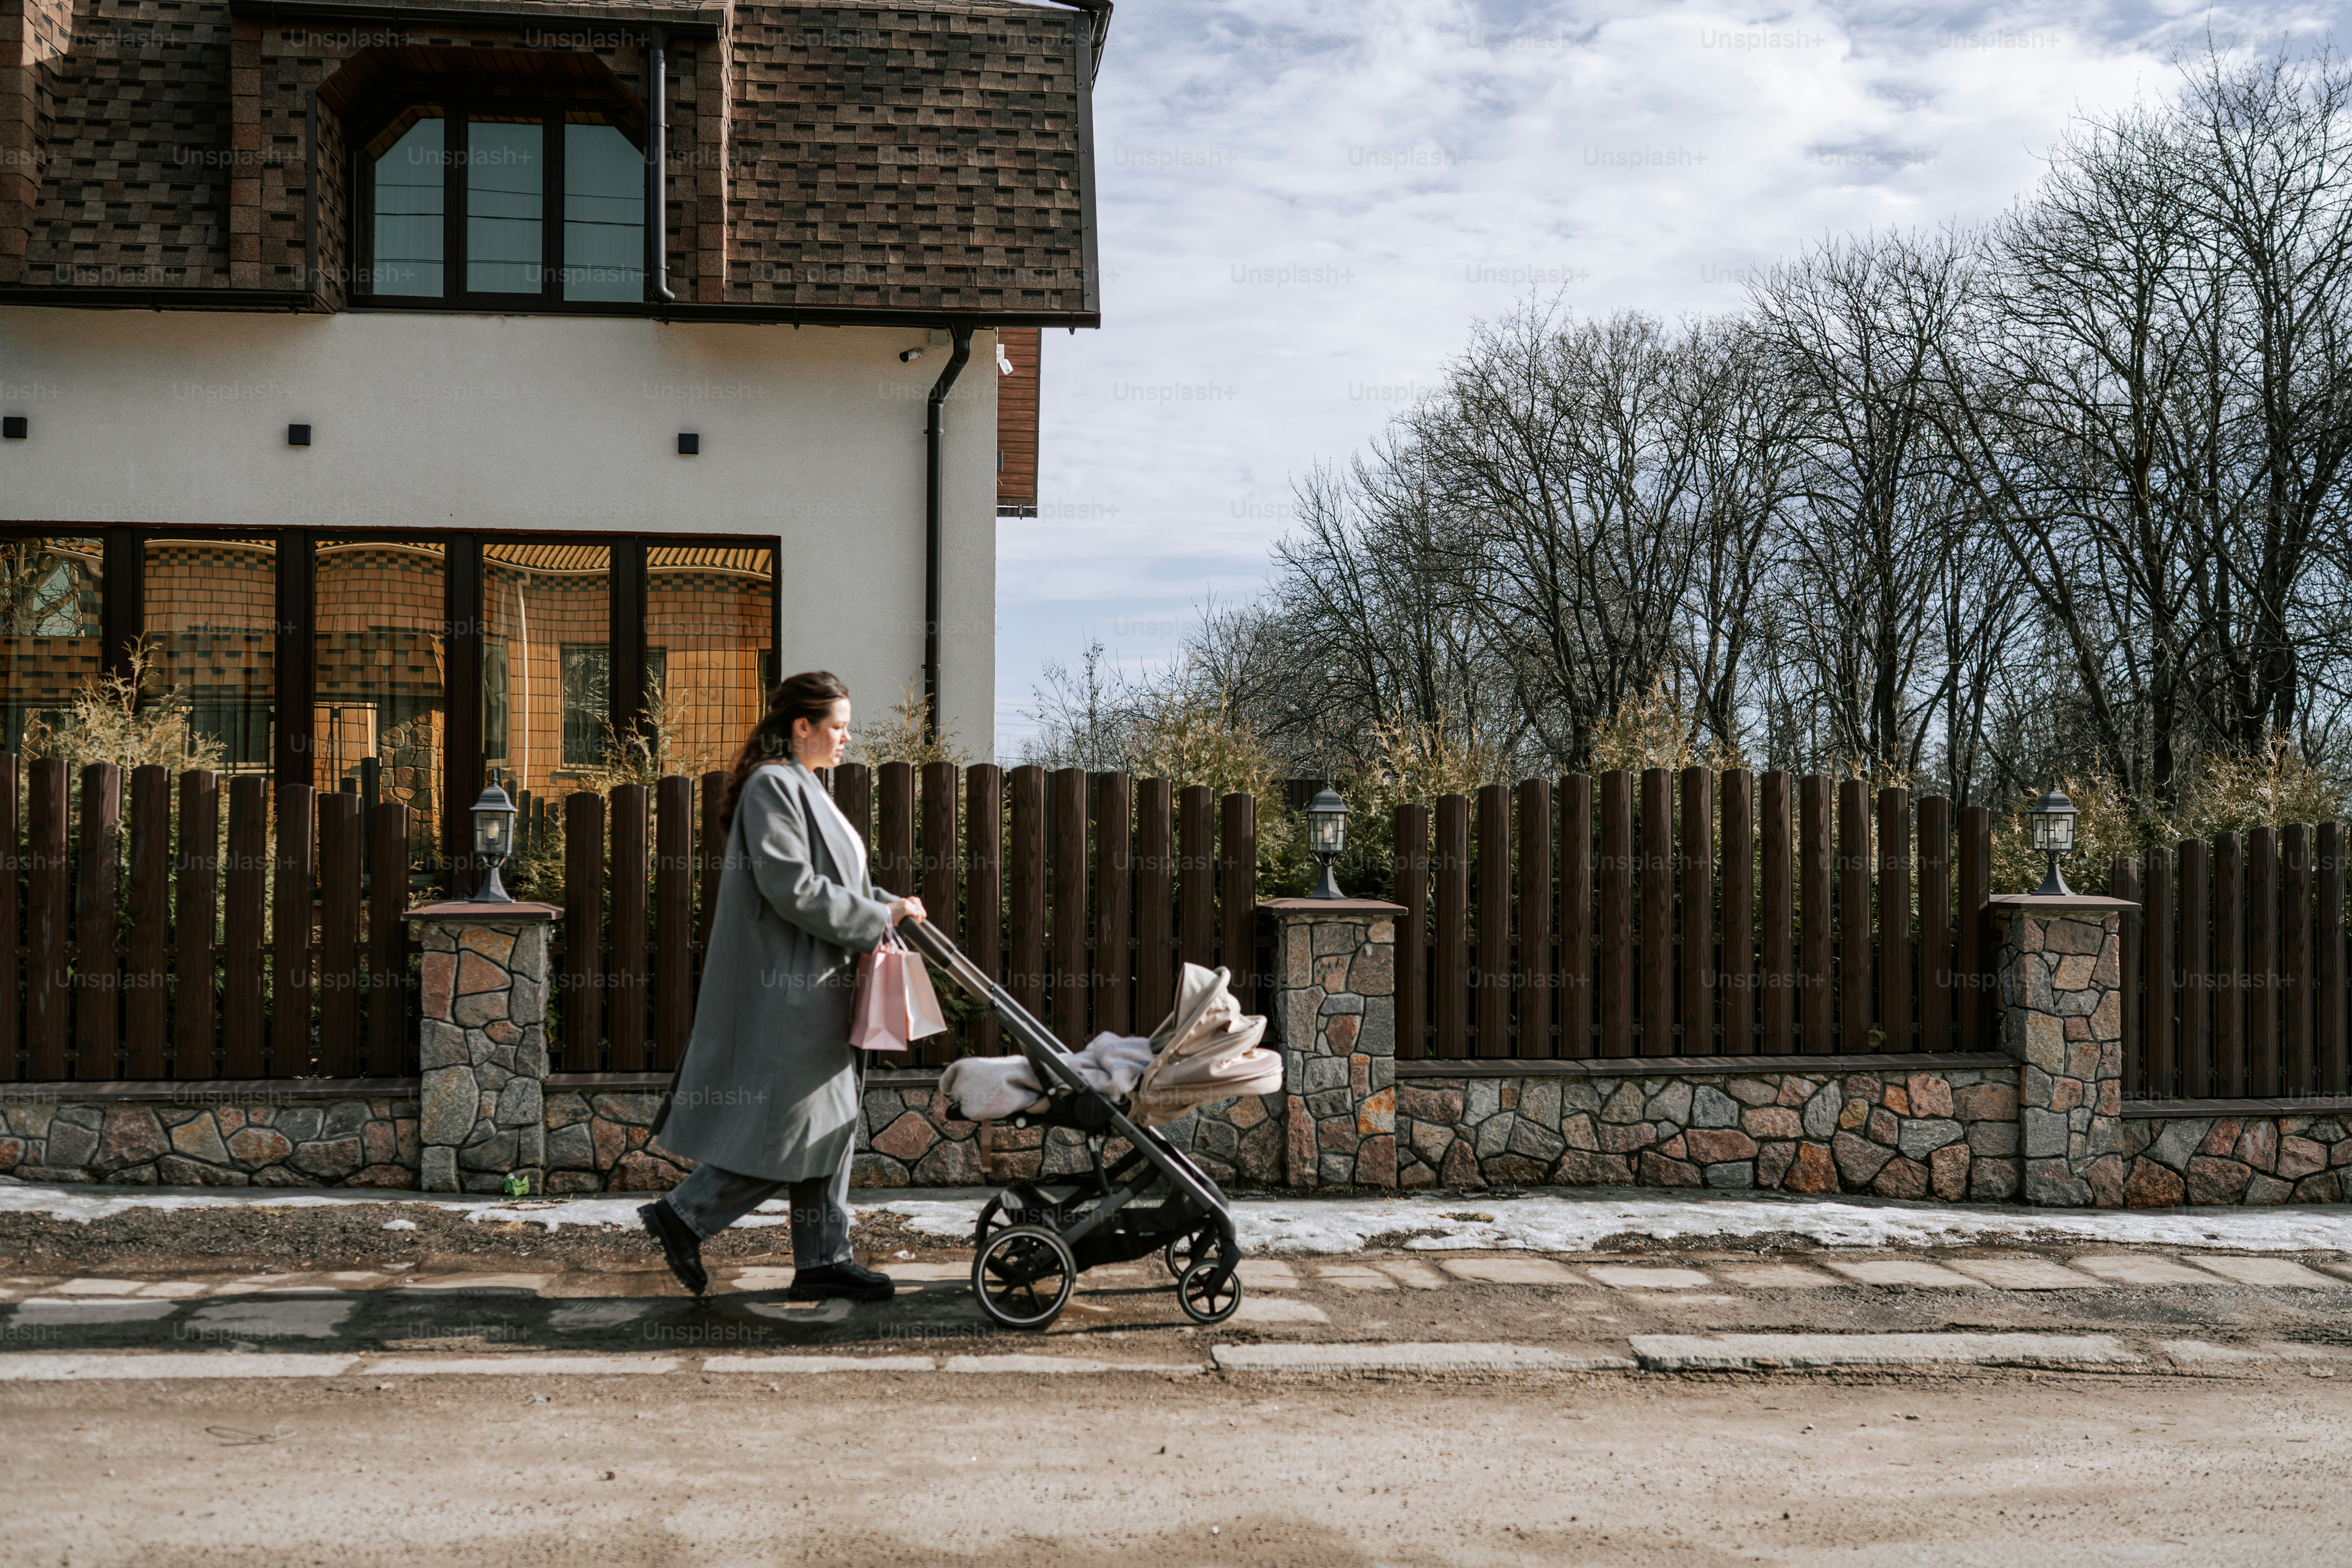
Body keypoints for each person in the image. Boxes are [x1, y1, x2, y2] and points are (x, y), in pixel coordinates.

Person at [638, 671, 924, 1302]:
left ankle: (823, 1257)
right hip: (789, 987)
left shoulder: (804, 787)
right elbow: (791, 888)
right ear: (804, 727)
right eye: (839, 727)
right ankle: (687, 1214)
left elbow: (832, 883)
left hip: (818, 982)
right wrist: (877, 917)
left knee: (831, 1117)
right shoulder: (775, 788)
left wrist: (887, 902)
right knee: (800, 1127)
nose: (847, 738)